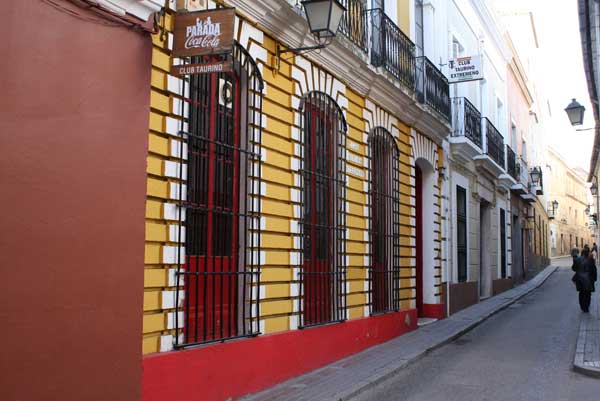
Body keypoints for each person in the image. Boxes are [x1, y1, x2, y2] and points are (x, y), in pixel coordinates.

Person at [572, 245, 597, 313]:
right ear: (588, 253)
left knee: (581, 293)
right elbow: (594, 270)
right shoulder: (591, 260)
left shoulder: (578, 259)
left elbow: (573, 269)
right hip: (588, 279)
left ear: (581, 253)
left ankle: (582, 306)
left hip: (579, 279)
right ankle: (586, 307)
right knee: (587, 294)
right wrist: (594, 279)